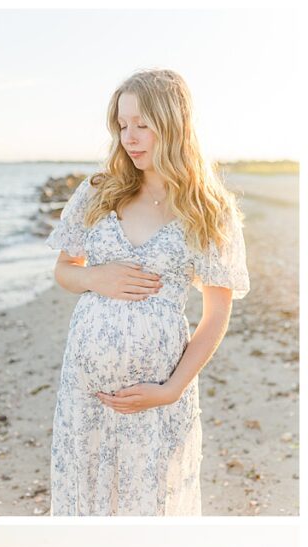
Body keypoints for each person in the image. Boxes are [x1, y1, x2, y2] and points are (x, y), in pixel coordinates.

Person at [47, 69, 249, 516]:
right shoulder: (98, 192)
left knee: (150, 505)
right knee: (86, 501)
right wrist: (93, 277)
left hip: (158, 395)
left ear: (174, 123)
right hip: (84, 393)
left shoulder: (209, 210)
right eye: (122, 125)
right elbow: (64, 271)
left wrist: (173, 389)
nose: (130, 138)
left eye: (142, 124)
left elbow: (217, 314)